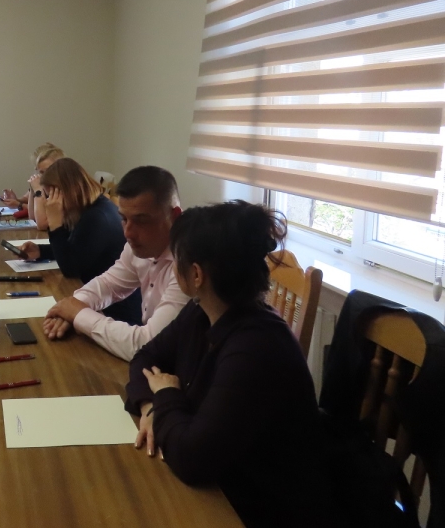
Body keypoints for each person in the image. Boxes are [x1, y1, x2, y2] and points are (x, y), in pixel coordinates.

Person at [125, 201, 334, 528]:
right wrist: (151, 407)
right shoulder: (202, 311)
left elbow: (192, 460)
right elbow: (145, 358)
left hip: (259, 509)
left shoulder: (257, 348)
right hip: (221, 486)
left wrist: (166, 395)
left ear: (196, 275)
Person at [42, 166, 188, 361]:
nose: (128, 232)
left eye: (141, 220)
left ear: (174, 216)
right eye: (124, 219)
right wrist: (74, 305)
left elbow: (149, 345)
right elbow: (109, 284)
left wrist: (79, 314)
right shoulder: (140, 245)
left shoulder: (190, 263)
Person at [19, 158, 141, 325]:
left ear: (64, 192)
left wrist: (55, 224)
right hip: (98, 298)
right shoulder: (91, 207)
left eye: (50, 195)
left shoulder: (97, 217)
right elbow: (75, 247)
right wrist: (41, 251)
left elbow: (70, 268)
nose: (48, 201)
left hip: (116, 312)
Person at [1, 143, 63, 230]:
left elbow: (42, 224)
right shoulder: (45, 186)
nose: (44, 176)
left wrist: (37, 190)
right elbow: (32, 218)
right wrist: (32, 188)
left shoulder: (62, 190)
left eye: (48, 171)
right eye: (41, 172)